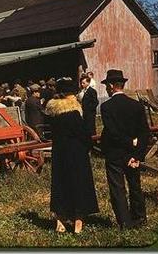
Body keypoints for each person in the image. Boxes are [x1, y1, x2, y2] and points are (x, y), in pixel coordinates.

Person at [46, 78, 99, 234]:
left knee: (60, 185)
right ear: (71, 95)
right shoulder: (74, 113)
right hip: (76, 154)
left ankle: (60, 222)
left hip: (59, 153)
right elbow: (84, 134)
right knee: (78, 185)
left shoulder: (53, 113)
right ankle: (78, 222)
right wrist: (89, 145)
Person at [100, 69, 149, 230]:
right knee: (135, 184)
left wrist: (128, 143)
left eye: (107, 85)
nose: (107, 89)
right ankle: (140, 217)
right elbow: (144, 132)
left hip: (115, 154)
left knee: (117, 188)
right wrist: (137, 153)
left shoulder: (106, 107)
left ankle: (125, 221)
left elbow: (113, 133)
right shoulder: (136, 105)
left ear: (113, 86)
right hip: (132, 155)